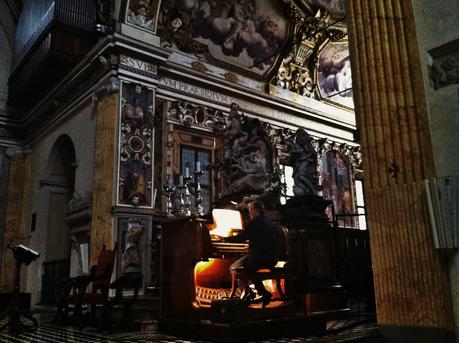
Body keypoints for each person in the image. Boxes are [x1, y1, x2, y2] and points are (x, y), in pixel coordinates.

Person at [224, 201, 278, 307]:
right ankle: (262, 293)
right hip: (272, 259)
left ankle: (248, 292)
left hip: (259, 258)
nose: (249, 214)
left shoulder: (256, 223)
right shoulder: (269, 222)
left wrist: (226, 239)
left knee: (234, 268)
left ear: (256, 211)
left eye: (250, 211)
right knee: (249, 269)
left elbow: (243, 236)